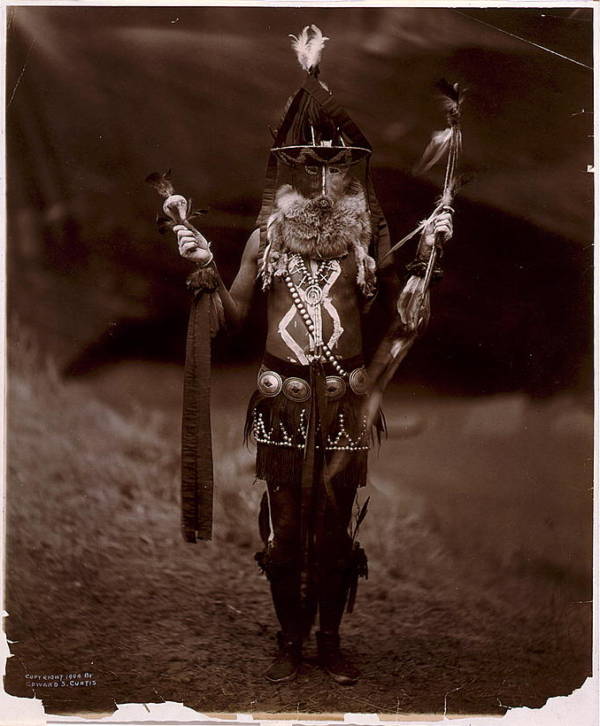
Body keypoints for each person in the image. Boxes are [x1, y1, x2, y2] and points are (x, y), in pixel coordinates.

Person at [173, 26, 452, 685]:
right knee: (286, 528)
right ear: (290, 172)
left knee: (334, 531)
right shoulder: (263, 245)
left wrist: (423, 273)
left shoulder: (365, 246)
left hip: (346, 404)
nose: (324, 183)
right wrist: (207, 276)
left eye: (336, 168)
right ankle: (290, 635)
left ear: (353, 174)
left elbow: (396, 313)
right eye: (311, 167)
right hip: (281, 401)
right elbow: (234, 316)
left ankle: (329, 638)